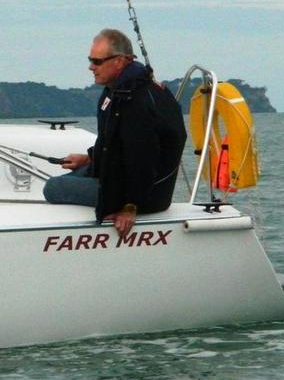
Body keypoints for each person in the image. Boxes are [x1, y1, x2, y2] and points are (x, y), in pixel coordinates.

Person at [43, 28, 187, 236]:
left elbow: (143, 159)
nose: (91, 67)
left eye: (97, 61)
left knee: (53, 188)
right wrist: (88, 158)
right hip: (120, 176)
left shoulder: (137, 101)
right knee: (71, 177)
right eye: (90, 60)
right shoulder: (116, 91)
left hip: (146, 194)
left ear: (120, 61)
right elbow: (115, 141)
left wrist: (130, 207)